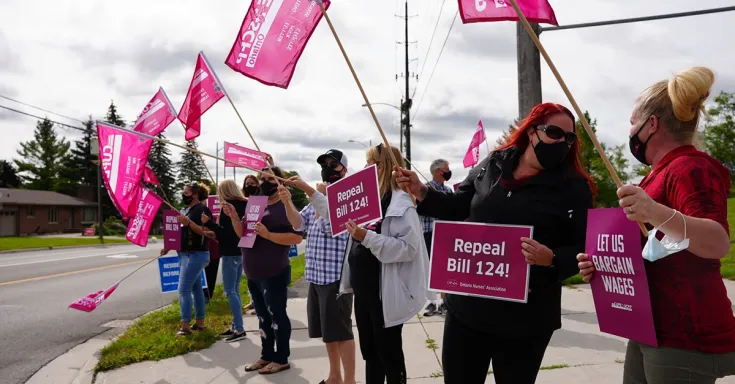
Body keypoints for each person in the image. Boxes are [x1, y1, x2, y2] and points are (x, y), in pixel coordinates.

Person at [394, 102, 595, 384]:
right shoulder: (493, 164)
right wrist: (421, 191)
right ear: (532, 132)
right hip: (468, 309)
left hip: (526, 319)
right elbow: (456, 206)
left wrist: (551, 259)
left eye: (569, 137)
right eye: (554, 132)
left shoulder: (574, 188)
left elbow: (583, 246)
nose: (562, 141)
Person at [577, 66, 735, 384]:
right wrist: (606, 265)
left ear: (652, 124)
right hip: (652, 326)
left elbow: (717, 242)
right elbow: (657, 250)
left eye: (633, 122)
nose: (631, 131)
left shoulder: (690, 168)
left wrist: (653, 209)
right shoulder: (659, 173)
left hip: (685, 336)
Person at [288, 143, 428, 384]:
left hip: (385, 292)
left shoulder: (401, 204)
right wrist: (308, 191)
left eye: (373, 164)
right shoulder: (368, 199)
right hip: (363, 291)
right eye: (366, 164)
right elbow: (335, 213)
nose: (367, 169)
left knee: (389, 353)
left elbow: (408, 249)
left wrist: (367, 237)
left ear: (388, 167)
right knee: (370, 353)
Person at [281, 149, 356, 384]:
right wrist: (287, 201)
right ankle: (334, 376)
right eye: (325, 164)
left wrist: (311, 191)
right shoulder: (317, 198)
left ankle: (350, 380)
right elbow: (298, 224)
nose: (328, 169)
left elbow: (333, 225)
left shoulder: (347, 196)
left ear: (344, 169)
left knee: (342, 332)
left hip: (335, 278)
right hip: (317, 276)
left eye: (333, 165)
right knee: (328, 332)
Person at [226, 166, 303, 375]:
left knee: (277, 315)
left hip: (274, 271)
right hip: (253, 271)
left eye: (270, 178)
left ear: (280, 180)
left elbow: (297, 236)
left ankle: (281, 357)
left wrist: (268, 235)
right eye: (263, 178)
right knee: (262, 317)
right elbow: (243, 232)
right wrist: (234, 217)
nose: (265, 181)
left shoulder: (286, 206)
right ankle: (266, 354)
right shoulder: (255, 203)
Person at [160, 182, 214, 336]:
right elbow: (180, 233)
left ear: (195, 194)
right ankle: (200, 323)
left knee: (183, 290)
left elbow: (208, 232)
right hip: (185, 254)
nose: (183, 195)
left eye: (186, 192)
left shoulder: (203, 210)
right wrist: (168, 246)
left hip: (195, 254)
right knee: (197, 290)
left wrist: (188, 223)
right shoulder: (187, 211)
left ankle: (185, 326)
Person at [202, 179, 248, 342]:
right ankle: (236, 325)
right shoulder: (245, 204)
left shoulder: (227, 206)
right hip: (242, 250)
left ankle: (240, 329)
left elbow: (227, 234)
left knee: (230, 291)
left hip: (230, 252)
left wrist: (210, 225)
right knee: (235, 289)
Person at [419, 158, 453, 317]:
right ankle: (431, 302)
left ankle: (443, 302)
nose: (448, 171)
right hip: (429, 233)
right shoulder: (426, 189)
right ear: (440, 171)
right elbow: (420, 210)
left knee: (445, 268)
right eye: (447, 169)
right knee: (430, 269)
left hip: (446, 234)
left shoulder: (449, 192)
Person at [200, 186, 219, 303]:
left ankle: (207, 298)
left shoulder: (209, 213)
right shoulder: (189, 212)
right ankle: (203, 297)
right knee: (202, 276)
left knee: (210, 275)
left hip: (212, 250)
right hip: (199, 250)